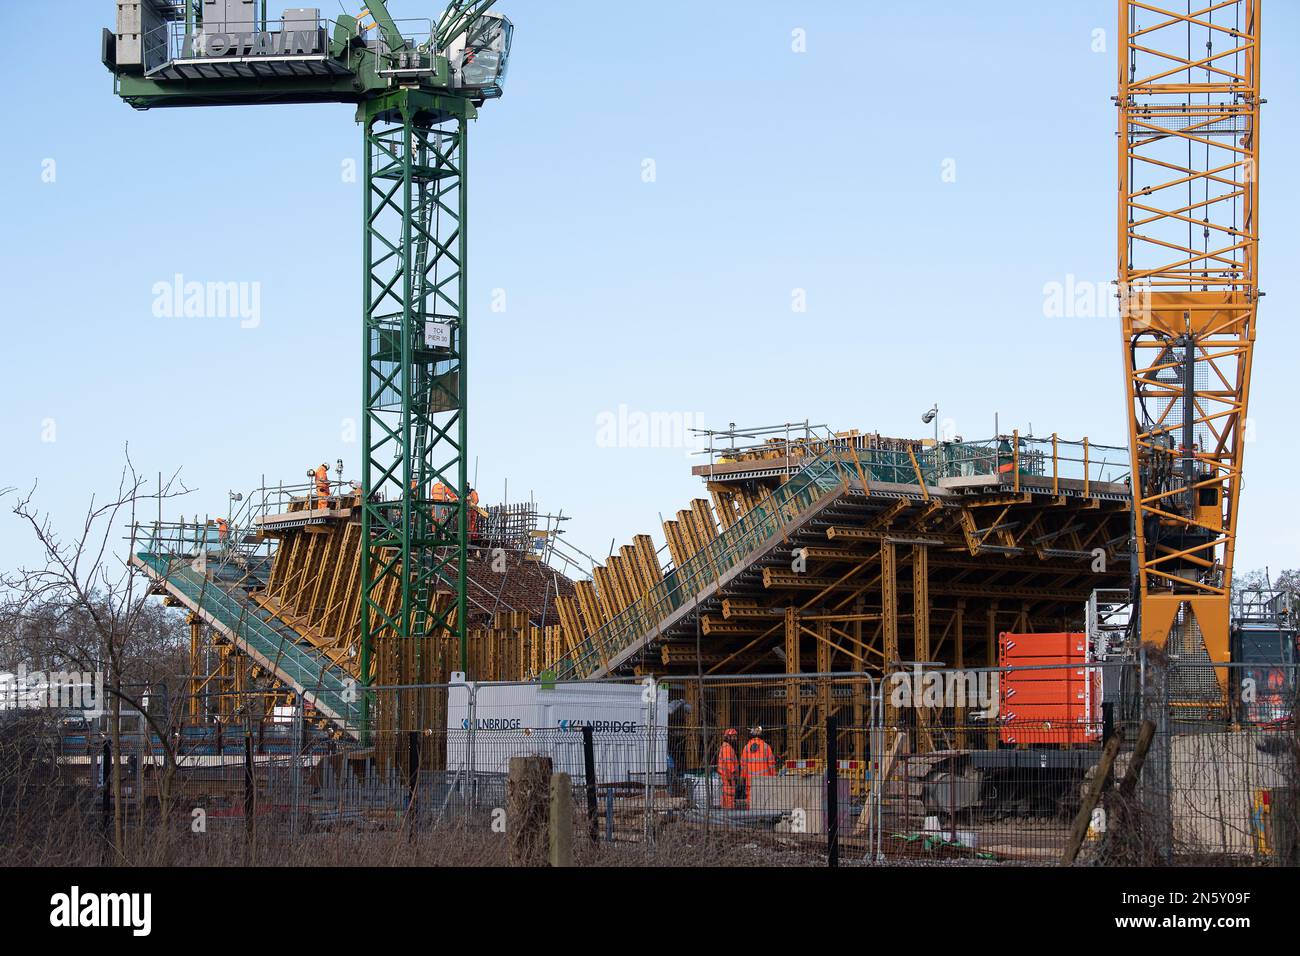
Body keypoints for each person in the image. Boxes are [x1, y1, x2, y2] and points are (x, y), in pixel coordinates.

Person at [740, 725, 777, 795]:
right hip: (764, 782)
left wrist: (742, 778)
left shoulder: (746, 748)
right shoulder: (766, 747)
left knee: (750, 801)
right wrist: (773, 777)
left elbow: (743, 765)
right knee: (764, 802)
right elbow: (771, 765)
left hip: (750, 782)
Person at [717, 728, 740, 809]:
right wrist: (732, 776)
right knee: (730, 795)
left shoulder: (726, 747)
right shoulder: (727, 748)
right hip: (728, 777)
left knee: (726, 796)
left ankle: (726, 812)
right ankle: (730, 812)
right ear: (728, 737)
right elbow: (729, 764)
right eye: (733, 737)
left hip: (726, 777)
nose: (735, 739)